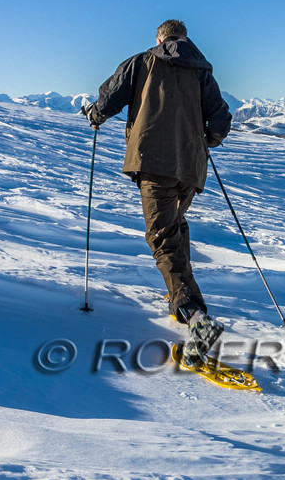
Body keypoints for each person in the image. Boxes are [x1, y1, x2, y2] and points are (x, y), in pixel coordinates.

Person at [83, 19, 233, 363]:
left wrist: (94, 115)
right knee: (174, 227)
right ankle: (181, 298)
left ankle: (195, 316)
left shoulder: (142, 61)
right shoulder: (201, 70)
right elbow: (220, 120)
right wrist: (206, 140)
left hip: (154, 162)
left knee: (162, 237)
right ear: (185, 39)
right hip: (191, 167)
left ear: (159, 38)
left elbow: (109, 98)